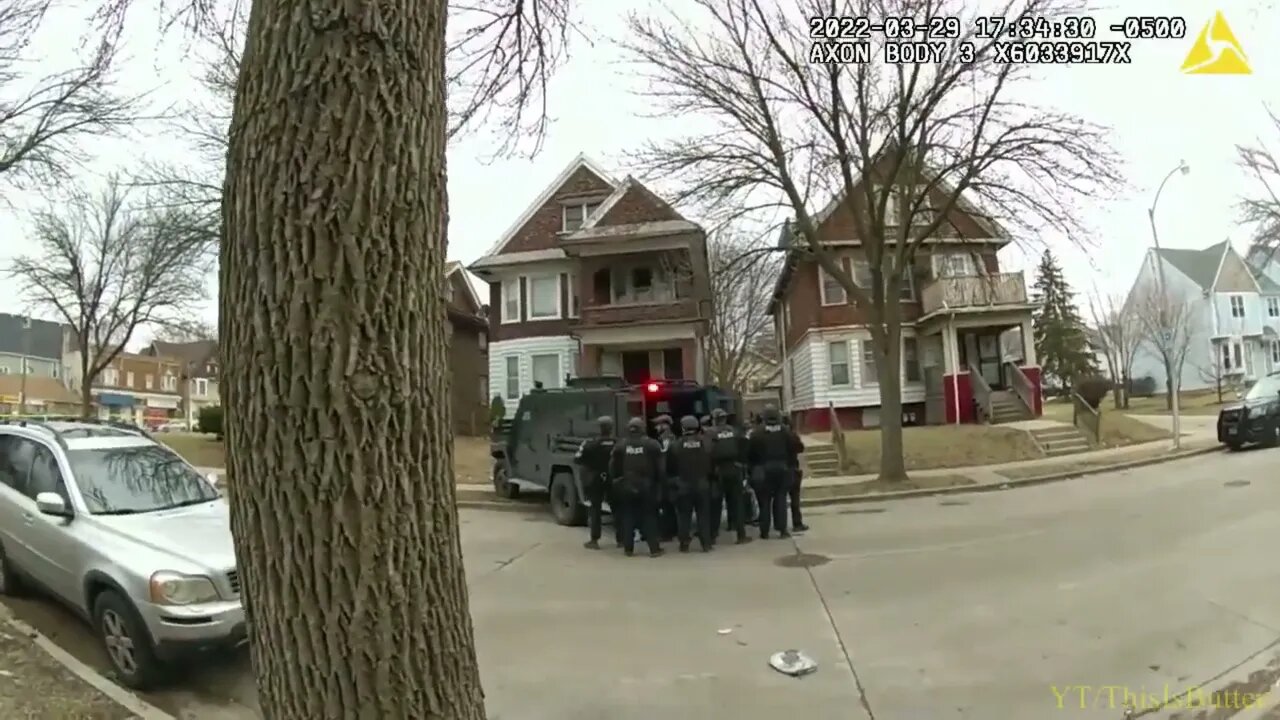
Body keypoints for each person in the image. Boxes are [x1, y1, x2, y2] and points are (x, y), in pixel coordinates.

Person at [609, 417, 665, 557]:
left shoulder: (621, 445)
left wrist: (617, 480)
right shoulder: (652, 444)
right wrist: (660, 484)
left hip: (626, 486)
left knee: (628, 517)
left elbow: (613, 467)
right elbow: (661, 468)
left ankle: (628, 549)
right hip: (647, 487)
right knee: (649, 517)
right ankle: (654, 549)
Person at [747, 405, 801, 539]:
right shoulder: (785, 431)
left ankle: (764, 531)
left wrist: (752, 469)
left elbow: (749, 453)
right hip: (782, 468)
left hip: (763, 469)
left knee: (764, 501)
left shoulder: (756, 433)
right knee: (781, 499)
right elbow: (797, 447)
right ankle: (782, 530)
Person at [667, 415, 714, 552]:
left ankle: (684, 544)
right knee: (703, 516)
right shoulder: (706, 443)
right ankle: (706, 544)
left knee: (684, 516)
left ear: (683, 428)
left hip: (683, 486)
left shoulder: (675, 445)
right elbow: (712, 464)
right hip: (702, 484)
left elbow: (670, 468)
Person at [707, 408, 750, 545]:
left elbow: (707, 453)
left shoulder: (710, 433)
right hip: (734, 468)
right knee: (737, 503)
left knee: (716, 505)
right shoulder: (735, 431)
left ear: (714, 419)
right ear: (725, 419)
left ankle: (712, 536)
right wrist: (742, 465)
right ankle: (741, 535)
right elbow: (744, 448)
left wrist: (710, 471)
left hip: (718, 471)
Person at [574, 415, 618, 550]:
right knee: (617, 509)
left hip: (595, 479)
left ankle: (594, 540)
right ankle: (622, 539)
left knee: (595, 510)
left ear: (599, 428)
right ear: (611, 428)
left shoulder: (590, 444)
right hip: (613, 479)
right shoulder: (618, 443)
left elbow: (578, 459)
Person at [780, 416, 808, 532]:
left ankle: (782, 526)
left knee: (780, 498)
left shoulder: (777, 436)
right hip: (792, 468)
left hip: (781, 469)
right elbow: (801, 448)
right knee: (795, 498)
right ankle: (797, 523)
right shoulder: (792, 436)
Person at [653, 414, 678, 541]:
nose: (656, 427)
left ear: (665, 425)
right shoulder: (667, 437)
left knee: (667, 505)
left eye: (658, 424)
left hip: (667, 477)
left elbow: (664, 457)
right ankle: (672, 531)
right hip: (669, 476)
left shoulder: (667, 439)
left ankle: (668, 533)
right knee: (669, 506)